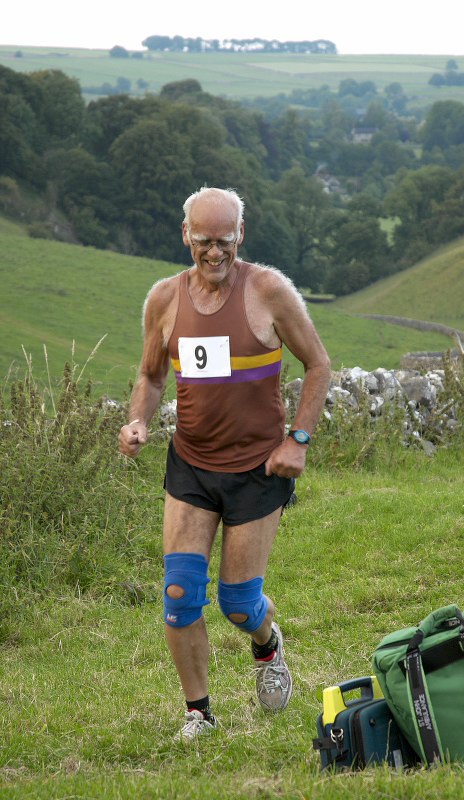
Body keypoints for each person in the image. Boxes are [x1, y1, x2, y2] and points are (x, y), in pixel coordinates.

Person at [118, 187, 331, 741]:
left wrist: (297, 441)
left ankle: (267, 644)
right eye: (204, 241)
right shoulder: (164, 299)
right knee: (180, 594)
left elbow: (318, 364)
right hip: (191, 465)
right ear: (185, 236)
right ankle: (200, 714)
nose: (214, 252)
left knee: (238, 603)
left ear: (242, 236)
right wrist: (138, 420)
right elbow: (151, 375)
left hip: (258, 470)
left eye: (225, 240)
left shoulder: (268, 291)